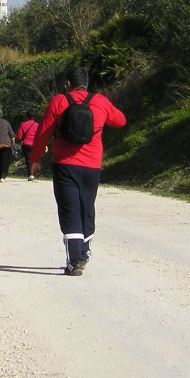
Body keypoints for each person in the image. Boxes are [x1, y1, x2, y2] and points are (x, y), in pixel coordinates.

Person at [31, 66, 126, 277]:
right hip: (92, 166)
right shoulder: (100, 101)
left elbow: (43, 131)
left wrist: (35, 159)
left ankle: (74, 260)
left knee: (69, 209)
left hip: (65, 165)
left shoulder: (59, 101)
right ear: (87, 83)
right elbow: (120, 120)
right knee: (86, 207)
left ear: (67, 84)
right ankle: (84, 251)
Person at [16, 111, 40, 180]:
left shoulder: (23, 124)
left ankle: (30, 174)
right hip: (35, 144)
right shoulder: (37, 125)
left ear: (27, 116)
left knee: (28, 159)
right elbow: (40, 135)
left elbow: (19, 135)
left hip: (26, 144)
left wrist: (21, 140)